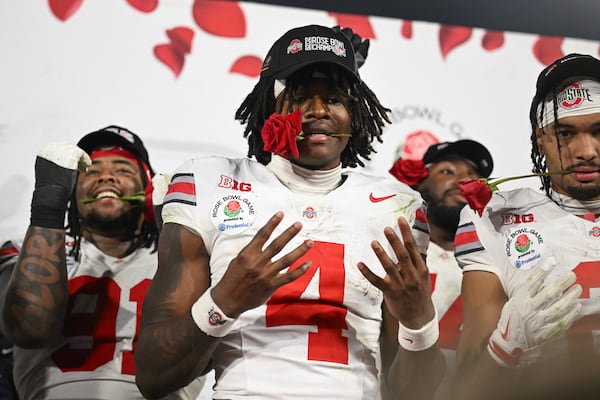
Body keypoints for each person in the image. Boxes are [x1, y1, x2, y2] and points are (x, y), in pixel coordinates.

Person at [135, 24, 444, 400]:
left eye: (334, 99)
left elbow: (413, 393)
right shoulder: (208, 182)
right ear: (269, 105)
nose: (317, 111)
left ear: (355, 114)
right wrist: (224, 301)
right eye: (299, 97)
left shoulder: (398, 205)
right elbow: (152, 375)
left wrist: (419, 325)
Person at [0, 126, 204, 399]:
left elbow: (207, 349)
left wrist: (177, 229)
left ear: (148, 190)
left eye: (123, 170)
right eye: (91, 171)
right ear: (72, 193)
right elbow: (29, 328)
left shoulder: (188, 256)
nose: (106, 176)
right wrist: (48, 207)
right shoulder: (25, 247)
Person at [452, 53, 600, 400]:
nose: (586, 151)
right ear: (540, 140)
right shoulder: (495, 218)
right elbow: (466, 389)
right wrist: (505, 347)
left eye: (599, 131)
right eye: (565, 134)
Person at [389, 139, 494, 400]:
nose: (463, 182)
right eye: (448, 171)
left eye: (473, 177)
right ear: (419, 184)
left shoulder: (500, 259)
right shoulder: (389, 251)